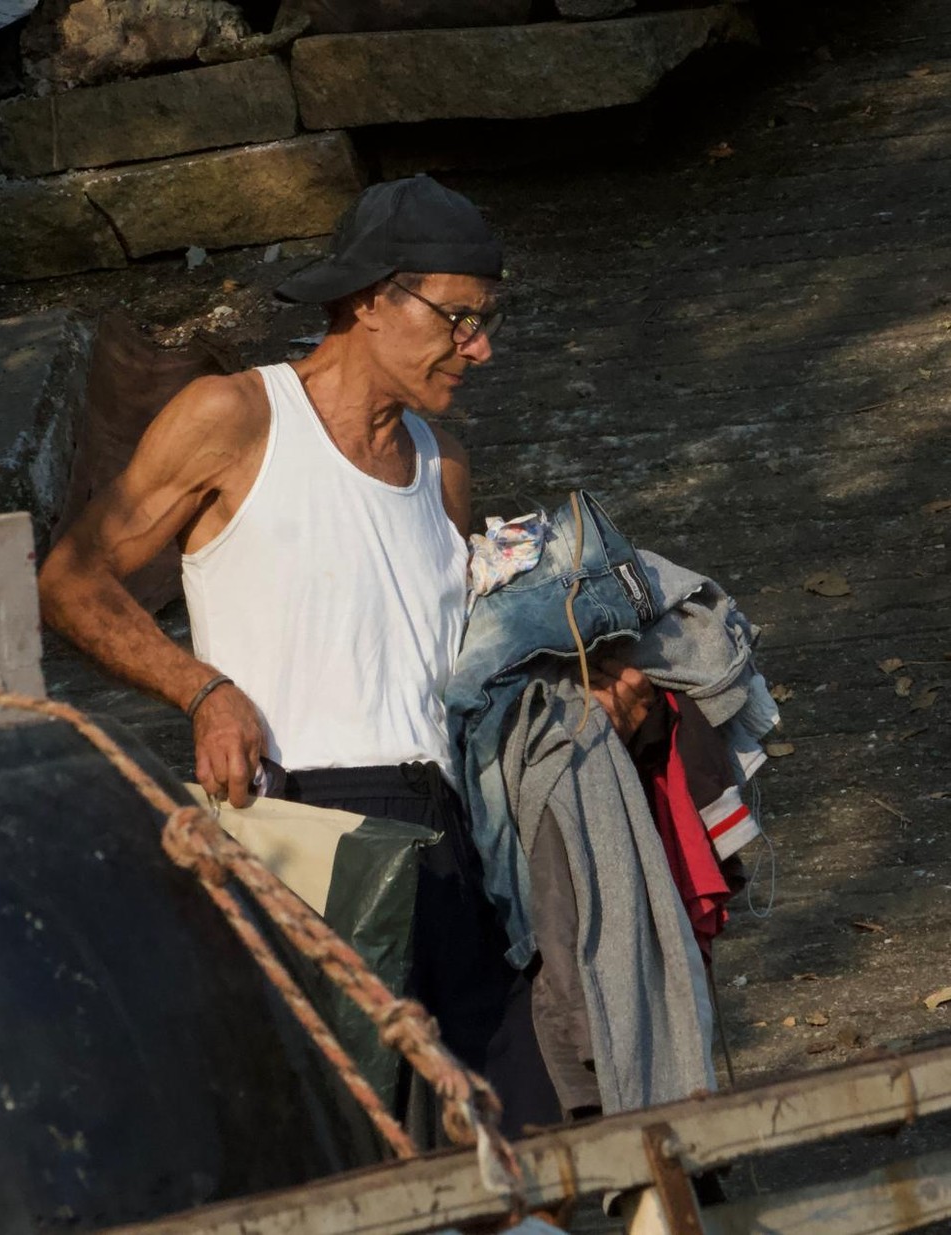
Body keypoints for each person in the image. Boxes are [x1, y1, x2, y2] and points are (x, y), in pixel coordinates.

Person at [38, 175, 653, 1135]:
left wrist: (580, 702)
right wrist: (203, 690)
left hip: (449, 838)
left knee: (513, 1139)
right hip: (304, 831)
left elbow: (455, 668)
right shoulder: (236, 418)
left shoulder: (441, 465)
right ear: (370, 299)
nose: (479, 348)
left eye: (484, 322)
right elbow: (72, 577)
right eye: (457, 320)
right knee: (349, 1144)